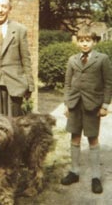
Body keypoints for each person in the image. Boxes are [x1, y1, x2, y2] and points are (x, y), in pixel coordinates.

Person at [61, 26, 112, 193]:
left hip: (92, 105)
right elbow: (68, 84)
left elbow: (108, 83)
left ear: (94, 41)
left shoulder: (102, 59)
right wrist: (67, 103)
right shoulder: (72, 60)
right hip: (75, 104)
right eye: (81, 40)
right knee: (75, 137)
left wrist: (105, 105)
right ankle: (74, 171)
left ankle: (96, 176)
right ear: (77, 42)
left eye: (88, 40)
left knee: (92, 138)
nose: (84, 44)